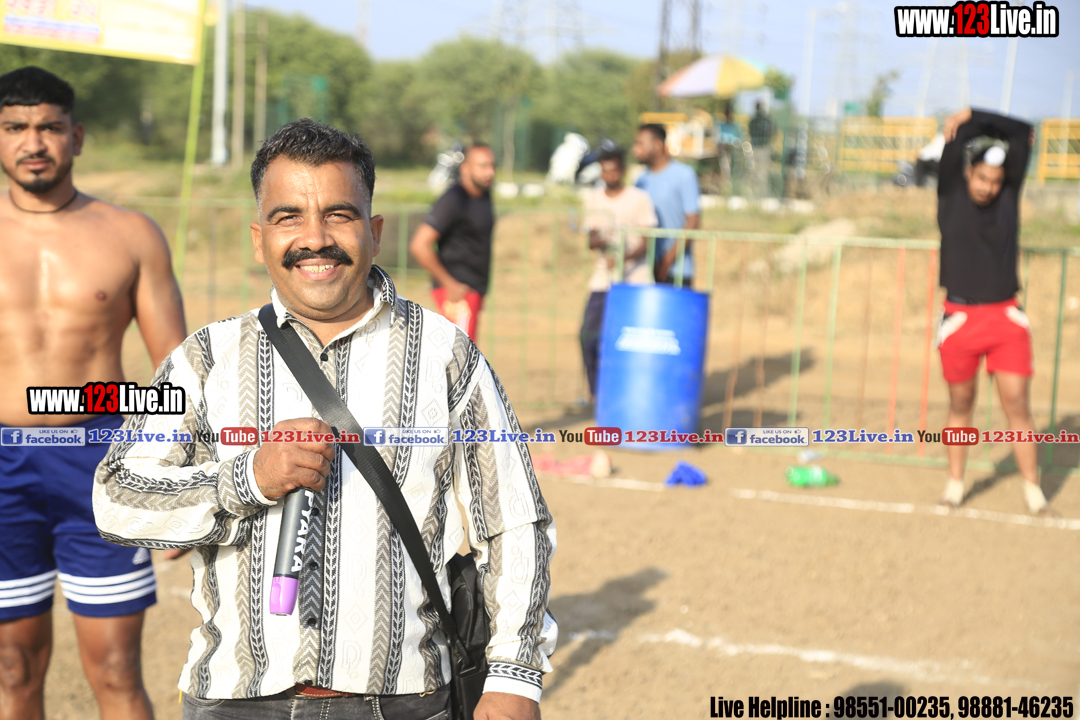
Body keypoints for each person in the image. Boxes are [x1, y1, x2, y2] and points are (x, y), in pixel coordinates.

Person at [93, 119, 557, 720]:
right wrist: (248, 479)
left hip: (403, 702)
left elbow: (514, 521)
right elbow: (117, 497)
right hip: (236, 702)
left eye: (338, 215)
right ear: (258, 239)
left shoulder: (448, 355)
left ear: (375, 232)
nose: (315, 238)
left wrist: (516, 675)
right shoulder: (202, 360)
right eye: (288, 217)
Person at [0, 66, 186, 719]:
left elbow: (177, 374)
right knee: (13, 670)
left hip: (99, 456)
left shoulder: (130, 234)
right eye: (15, 127)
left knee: (115, 669)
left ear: (75, 136)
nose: (33, 142)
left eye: (49, 127)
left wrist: (174, 481)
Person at [934, 106, 1054, 516]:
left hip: (1005, 318)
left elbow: (1023, 131)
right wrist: (966, 121)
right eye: (982, 177)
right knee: (961, 405)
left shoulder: (1007, 198)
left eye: (996, 180)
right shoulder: (950, 193)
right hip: (960, 319)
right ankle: (954, 485)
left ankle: (1033, 491)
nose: (988, 187)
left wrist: (976, 113)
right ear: (969, 172)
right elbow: (958, 140)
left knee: (1017, 404)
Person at [580, 147, 658, 401]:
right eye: (605, 171)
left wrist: (624, 257)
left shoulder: (639, 198)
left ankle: (633, 393)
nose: (609, 176)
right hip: (604, 277)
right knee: (588, 335)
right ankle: (596, 392)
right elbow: (591, 240)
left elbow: (647, 241)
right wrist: (603, 240)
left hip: (636, 278)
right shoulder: (593, 199)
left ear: (622, 170)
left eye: (613, 171)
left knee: (633, 339)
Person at [410, 144, 497, 341]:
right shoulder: (453, 200)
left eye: (493, 166)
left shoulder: (484, 195)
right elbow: (419, 245)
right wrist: (449, 284)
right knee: (459, 356)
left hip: (474, 292)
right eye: (483, 166)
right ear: (465, 168)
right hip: (458, 294)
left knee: (463, 354)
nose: (490, 172)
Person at [632, 124, 701, 285]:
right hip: (644, 270)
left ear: (658, 145)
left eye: (641, 144)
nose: (635, 150)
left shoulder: (684, 175)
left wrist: (666, 262)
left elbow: (693, 221)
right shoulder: (641, 180)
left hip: (676, 272)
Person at [748, 101, 774, 198]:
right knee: (754, 170)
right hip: (756, 147)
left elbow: (772, 131)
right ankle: (755, 192)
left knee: (762, 171)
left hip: (764, 147)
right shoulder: (754, 120)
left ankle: (762, 193)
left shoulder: (766, 120)